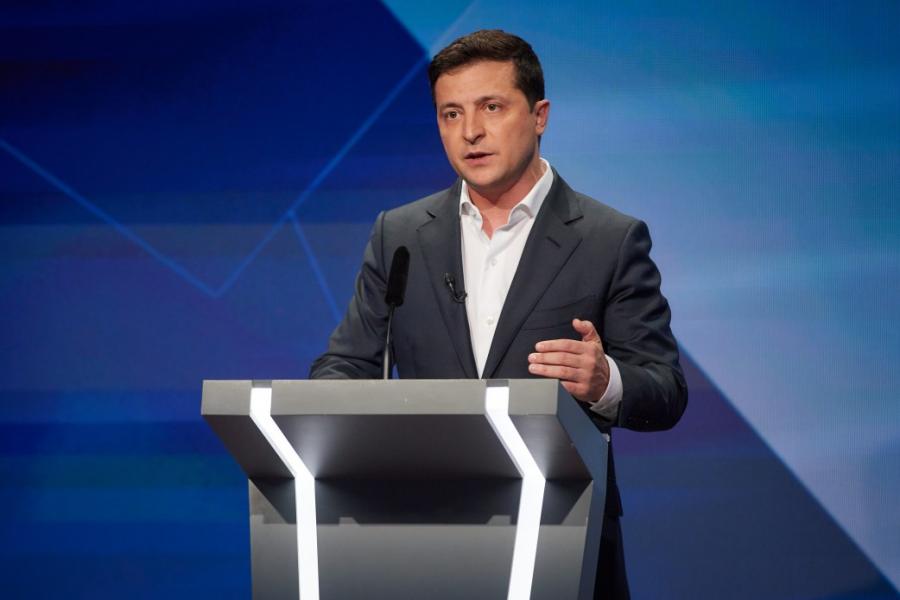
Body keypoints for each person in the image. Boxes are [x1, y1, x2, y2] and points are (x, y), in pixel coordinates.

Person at [310, 29, 687, 599]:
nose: (470, 132)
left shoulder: (609, 239)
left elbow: (665, 390)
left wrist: (605, 380)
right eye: (451, 113)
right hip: (421, 537)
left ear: (539, 116)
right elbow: (346, 364)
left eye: (491, 107)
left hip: (562, 538)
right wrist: (335, 412)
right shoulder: (400, 234)